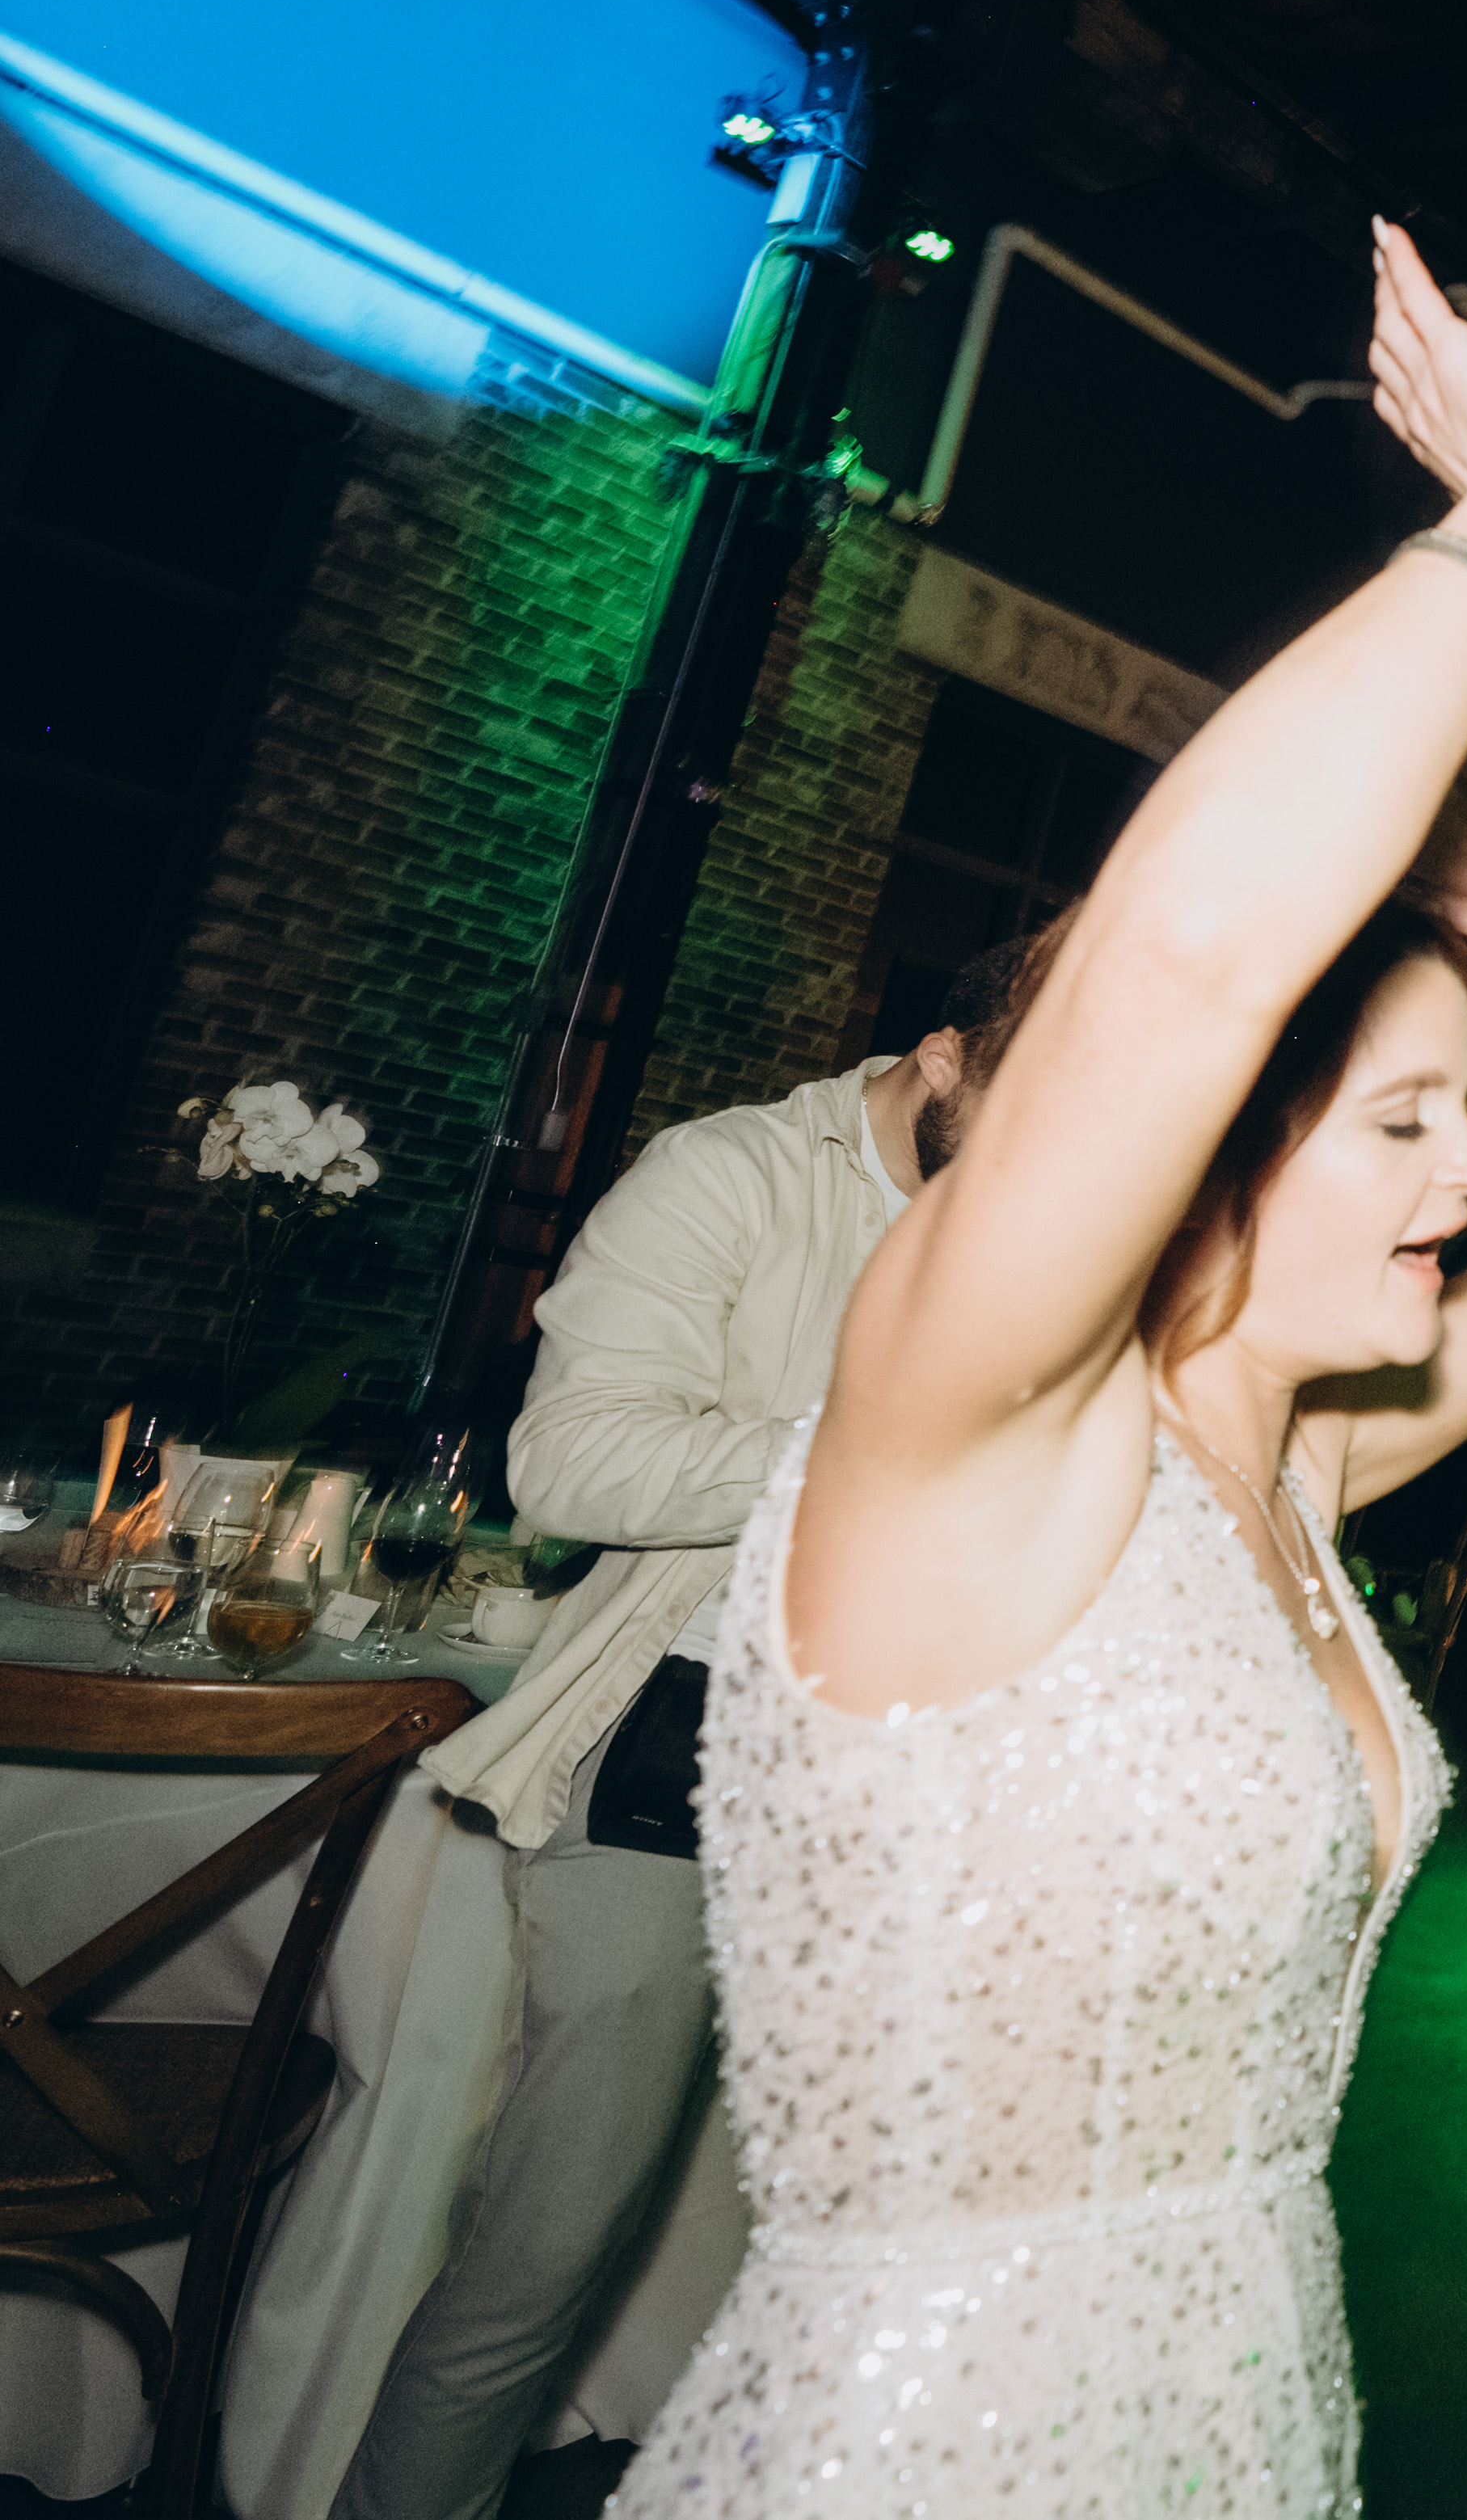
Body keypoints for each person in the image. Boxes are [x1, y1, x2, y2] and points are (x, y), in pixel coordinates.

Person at [617, 221, 1467, 2519]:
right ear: (1205, 1155)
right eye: (1406, 1121)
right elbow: (1185, 958)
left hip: (1234, 2400)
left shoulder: (1285, 1470)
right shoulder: (983, 1436)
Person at [336, 938, 1026, 2520]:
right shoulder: (729, 1176)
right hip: (689, 1751)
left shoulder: (1053, 1225)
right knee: (547, 2247)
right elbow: (569, 1466)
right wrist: (884, 1437)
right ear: (942, 1056)